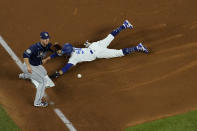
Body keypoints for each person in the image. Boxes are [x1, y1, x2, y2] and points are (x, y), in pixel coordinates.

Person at [44, 20, 149, 79]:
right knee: (110, 37)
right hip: (94, 46)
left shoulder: (74, 58)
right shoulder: (72, 49)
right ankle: (124, 25)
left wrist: (57, 74)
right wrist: (50, 57)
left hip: (99, 52)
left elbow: (65, 68)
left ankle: (138, 47)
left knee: (119, 53)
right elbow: (61, 51)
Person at [18, 32, 54, 107]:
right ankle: (37, 102)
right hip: (29, 66)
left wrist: (58, 49)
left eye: (48, 38)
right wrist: (28, 67)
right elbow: (25, 55)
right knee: (43, 81)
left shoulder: (48, 45)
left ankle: (25, 75)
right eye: (45, 39)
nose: (47, 40)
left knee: (44, 72)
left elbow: (54, 48)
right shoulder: (34, 47)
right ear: (41, 39)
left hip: (36, 65)